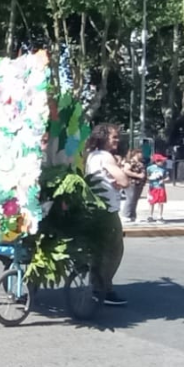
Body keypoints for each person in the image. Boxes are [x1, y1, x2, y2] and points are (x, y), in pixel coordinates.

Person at [85, 123, 131, 307]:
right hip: (107, 210)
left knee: (99, 250)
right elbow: (124, 181)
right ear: (103, 138)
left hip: (94, 207)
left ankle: (96, 283)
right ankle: (103, 288)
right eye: (114, 137)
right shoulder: (106, 157)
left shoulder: (92, 155)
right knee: (114, 250)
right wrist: (121, 179)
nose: (117, 140)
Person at [118, 149, 147, 223]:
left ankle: (132, 215)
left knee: (135, 200)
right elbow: (126, 170)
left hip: (139, 184)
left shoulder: (140, 162)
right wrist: (137, 175)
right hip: (131, 183)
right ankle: (126, 215)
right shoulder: (130, 162)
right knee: (130, 199)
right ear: (136, 153)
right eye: (141, 153)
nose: (142, 155)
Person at [146, 154, 169, 223]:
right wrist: (150, 178)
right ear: (156, 161)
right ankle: (150, 216)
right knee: (151, 202)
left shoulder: (164, 169)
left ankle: (159, 216)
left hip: (161, 187)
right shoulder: (149, 168)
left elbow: (168, 178)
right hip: (152, 187)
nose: (161, 162)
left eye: (162, 161)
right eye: (160, 161)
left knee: (161, 202)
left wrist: (163, 180)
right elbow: (147, 177)